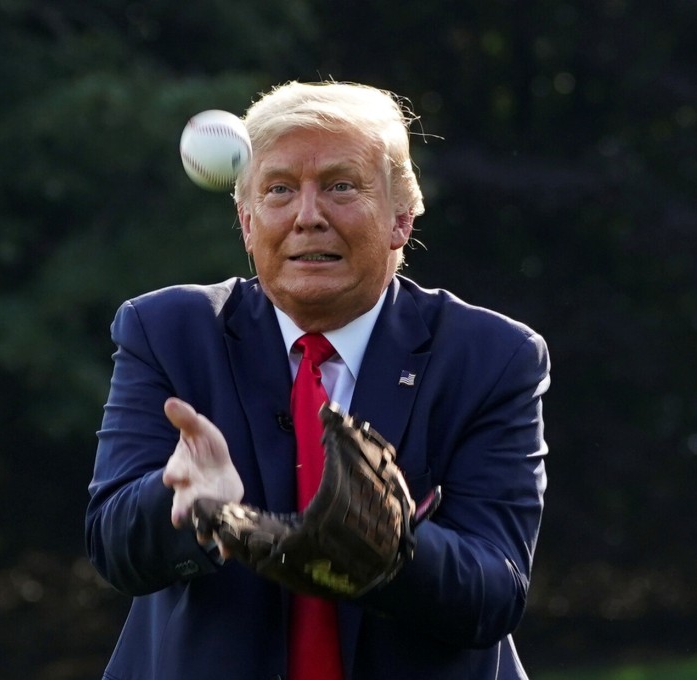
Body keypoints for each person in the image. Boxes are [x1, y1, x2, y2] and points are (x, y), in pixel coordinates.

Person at [86, 80, 551, 680]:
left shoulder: (492, 357)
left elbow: (496, 593)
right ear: (247, 222)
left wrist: (386, 549)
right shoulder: (167, 332)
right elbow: (112, 548)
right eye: (279, 190)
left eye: (340, 186)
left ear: (401, 219)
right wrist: (183, 506)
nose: (308, 217)